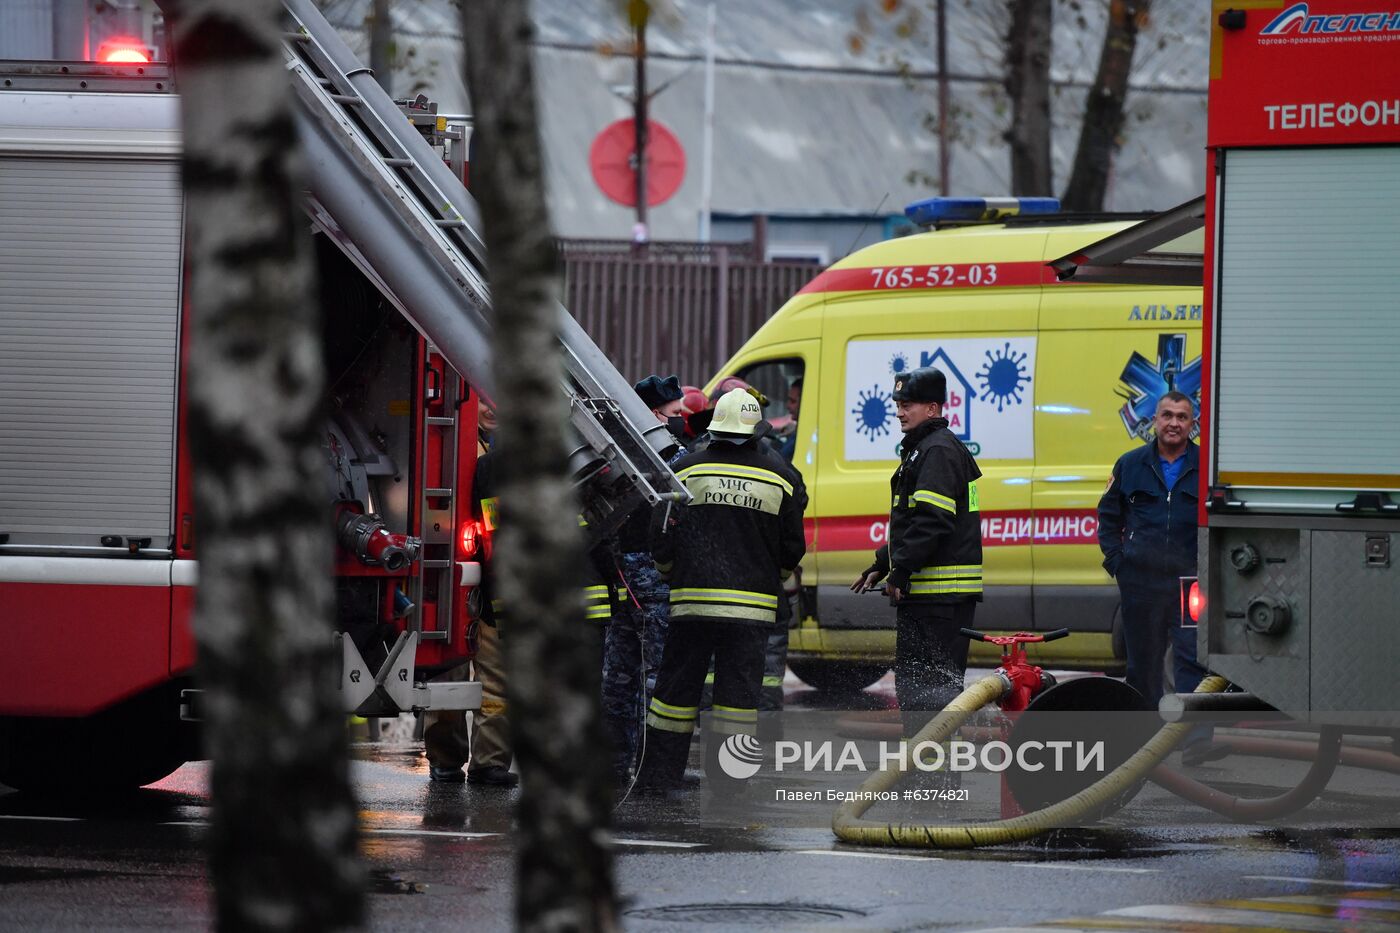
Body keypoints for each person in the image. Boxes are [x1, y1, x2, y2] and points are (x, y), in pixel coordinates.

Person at [635, 388, 807, 792]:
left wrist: (671, 572)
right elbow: (793, 547)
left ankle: (659, 779)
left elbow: (660, 535)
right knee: (736, 703)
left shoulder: (688, 470)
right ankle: (729, 783)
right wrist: (769, 577)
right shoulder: (780, 477)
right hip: (751, 613)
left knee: (673, 697)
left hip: (691, 607)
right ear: (755, 431)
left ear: (715, 428)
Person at [850, 367, 983, 735]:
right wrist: (884, 561)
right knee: (920, 695)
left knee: (931, 698)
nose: (899, 411)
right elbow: (915, 522)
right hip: (933, 600)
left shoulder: (936, 451)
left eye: (907, 404)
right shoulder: (928, 449)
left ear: (933, 408)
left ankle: (933, 787)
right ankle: (924, 780)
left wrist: (902, 570)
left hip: (938, 603)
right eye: (898, 404)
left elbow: (932, 521)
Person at [1097, 390, 1221, 764]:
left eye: (1182, 417)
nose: (1173, 423)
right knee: (1143, 664)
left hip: (1190, 582)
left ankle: (1195, 741)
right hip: (1141, 583)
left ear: (1192, 424)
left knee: (1192, 660)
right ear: (1154, 420)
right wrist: (1117, 562)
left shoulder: (1207, 467)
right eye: (1167, 415)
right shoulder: (1130, 464)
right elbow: (1108, 517)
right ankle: (1143, 743)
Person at [601, 373, 688, 783]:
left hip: (622, 581)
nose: (682, 418)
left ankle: (618, 765)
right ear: (655, 414)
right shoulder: (669, 458)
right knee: (653, 679)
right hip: (652, 582)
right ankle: (652, 769)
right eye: (675, 413)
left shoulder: (617, 453)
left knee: (619, 680)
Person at [424, 446, 516, 786]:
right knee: (448, 675)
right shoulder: (485, 456)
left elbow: (496, 528)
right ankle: (445, 758)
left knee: (496, 678)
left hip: (486, 584)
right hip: (448, 583)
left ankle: (489, 763)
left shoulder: (495, 458)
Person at [776, 377, 802, 462]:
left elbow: (780, 461)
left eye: (793, 401)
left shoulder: (799, 439)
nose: (788, 406)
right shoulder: (798, 432)